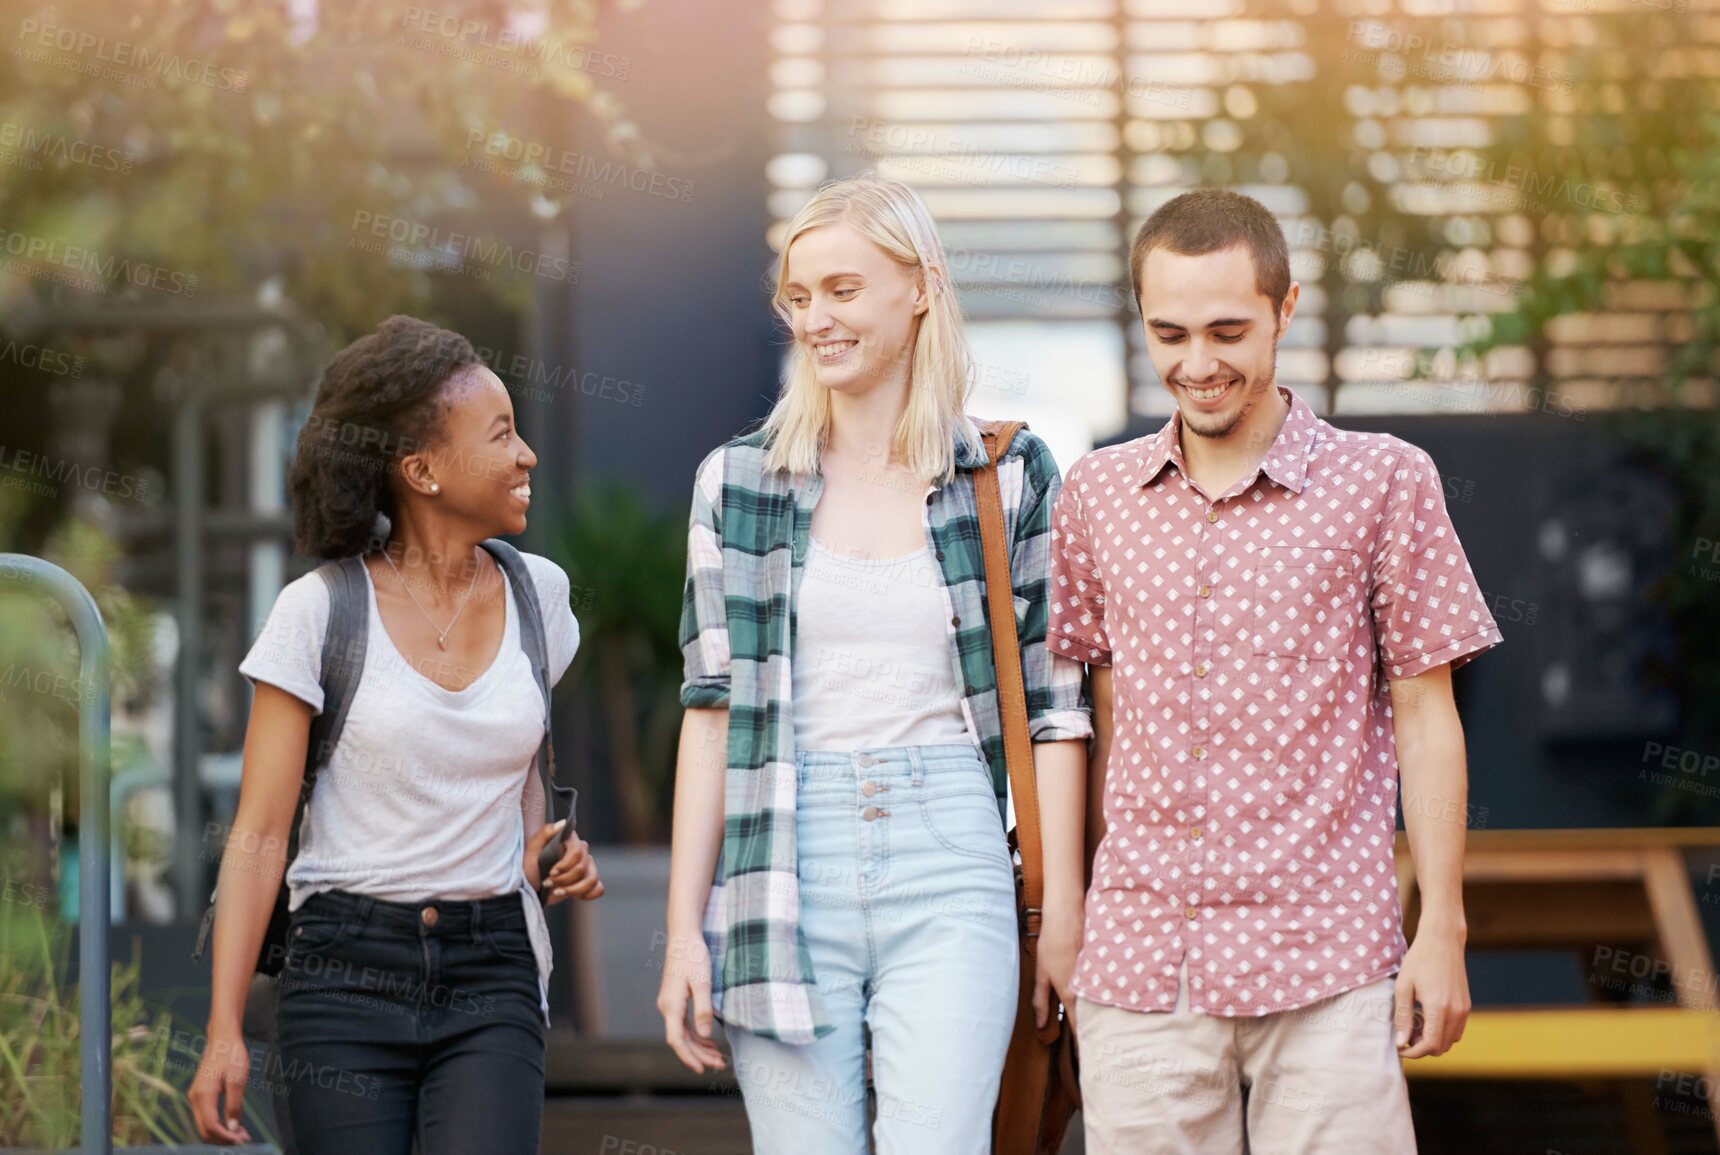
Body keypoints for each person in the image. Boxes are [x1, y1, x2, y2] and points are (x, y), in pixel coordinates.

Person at [1046, 188, 1503, 1154]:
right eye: (1168, 333)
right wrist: (1075, 928)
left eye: (1228, 329)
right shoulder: (1094, 493)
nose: (1197, 364)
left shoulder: (1384, 480)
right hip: (1140, 965)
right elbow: (1100, 715)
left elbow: (1427, 721)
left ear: (1285, 309)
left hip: (1329, 958)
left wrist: (1441, 928)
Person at [656, 174, 1091, 1154]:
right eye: (800, 298)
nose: (819, 319)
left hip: (952, 858)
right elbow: (712, 709)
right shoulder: (737, 482)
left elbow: (1058, 711)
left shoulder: (1009, 473)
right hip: (781, 855)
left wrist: (1061, 908)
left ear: (921, 287)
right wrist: (685, 927)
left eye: (844, 290)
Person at [189, 315, 602, 1154]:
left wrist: (549, 849)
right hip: (342, 971)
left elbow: (516, 777)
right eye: (501, 435)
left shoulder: (539, 598)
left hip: (491, 971)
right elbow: (261, 834)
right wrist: (224, 1027)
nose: (526, 455)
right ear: (421, 470)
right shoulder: (320, 612)